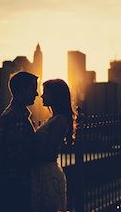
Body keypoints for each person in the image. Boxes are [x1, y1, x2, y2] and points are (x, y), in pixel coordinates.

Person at [0, 71, 38, 212]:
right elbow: (18, 155)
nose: (36, 93)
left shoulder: (15, 115)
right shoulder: (15, 117)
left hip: (12, 185)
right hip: (15, 187)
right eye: (33, 88)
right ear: (23, 90)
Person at [30, 79, 74, 212]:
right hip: (41, 172)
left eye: (45, 92)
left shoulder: (60, 120)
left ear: (56, 95)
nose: (42, 96)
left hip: (47, 175)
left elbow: (49, 151)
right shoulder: (53, 118)